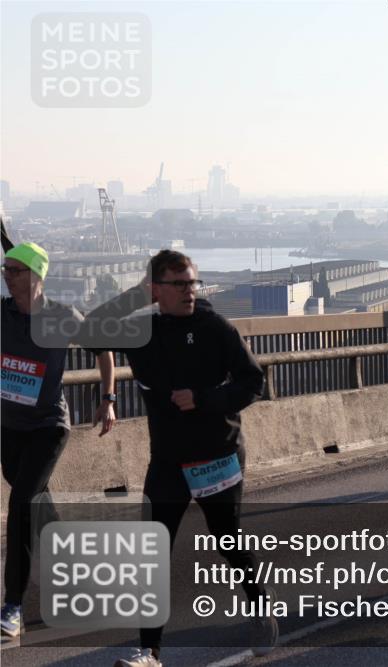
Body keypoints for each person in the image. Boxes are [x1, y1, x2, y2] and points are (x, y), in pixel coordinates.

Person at [81, 250, 276, 666]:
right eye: (180, 284)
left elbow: (253, 381)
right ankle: (149, 652)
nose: (190, 291)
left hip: (217, 455)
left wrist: (205, 399)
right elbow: (90, 332)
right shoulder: (142, 331)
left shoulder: (216, 328)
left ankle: (260, 603)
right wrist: (136, 297)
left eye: (193, 283)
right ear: (157, 291)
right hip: (168, 460)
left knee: (227, 541)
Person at [1, 242, 117, 639]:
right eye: (5, 268)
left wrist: (108, 399)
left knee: (21, 505)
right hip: (9, 428)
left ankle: (12, 606)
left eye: (14, 270)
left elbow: (103, 351)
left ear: (36, 276)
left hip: (49, 426)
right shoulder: (3, 314)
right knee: (35, 502)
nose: (6, 275)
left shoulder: (62, 316)